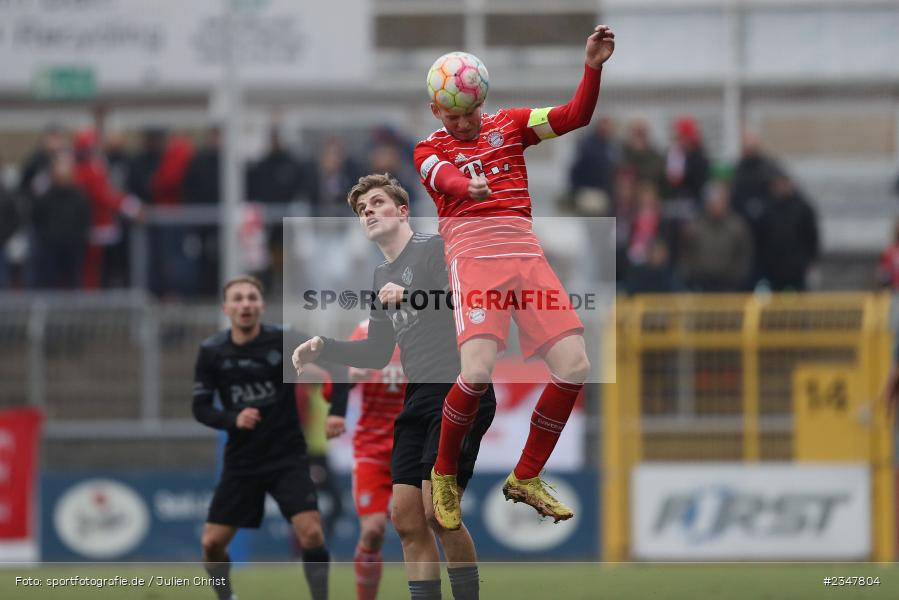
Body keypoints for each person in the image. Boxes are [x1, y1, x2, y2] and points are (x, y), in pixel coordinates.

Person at [413, 25, 615, 528]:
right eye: (453, 114)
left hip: (526, 256)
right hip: (475, 258)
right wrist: (469, 189)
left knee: (575, 365)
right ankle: (444, 474)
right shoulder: (427, 148)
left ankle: (525, 476)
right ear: (437, 110)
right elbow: (444, 177)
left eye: (470, 112)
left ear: (483, 100)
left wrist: (592, 65)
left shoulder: (511, 125)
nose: (462, 122)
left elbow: (575, 115)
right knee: (477, 372)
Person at [292, 173, 494, 600]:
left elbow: (471, 299)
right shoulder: (382, 274)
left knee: (439, 513)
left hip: (457, 389)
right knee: (405, 517)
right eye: (362, 209)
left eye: (378, 202)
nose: (368, 211)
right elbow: (377, 354)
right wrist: (324, 346)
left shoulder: (433, 249)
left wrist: (411, 296)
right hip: (419, 395)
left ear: (402, 211)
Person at [193, 275, 347, 600]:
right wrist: (232, 418)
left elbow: (337, 365)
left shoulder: (285, 339)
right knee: (211, 543)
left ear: (261, 305)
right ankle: (226, 597)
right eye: (238, 298)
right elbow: (201, 408)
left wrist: (336, 411)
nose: (245, 304)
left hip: (286, 457)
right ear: (226, 307)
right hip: (242, 461)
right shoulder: (211, 352)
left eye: (251, 297)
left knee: (311, 532)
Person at [333, 319, 407, 600]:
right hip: (371, 448)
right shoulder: (365, 330)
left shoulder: (428, 328)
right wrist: (353, 375)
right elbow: (341, 381)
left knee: (417, 528)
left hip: (412, 446)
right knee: (374, 530)